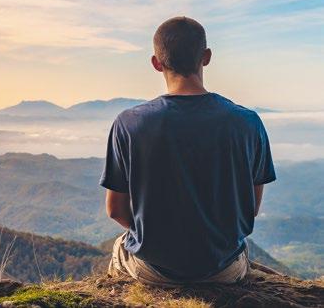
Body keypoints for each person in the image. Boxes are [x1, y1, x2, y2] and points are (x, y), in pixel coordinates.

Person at [101, 16, 276, 285]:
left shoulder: (129, 123)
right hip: (223, 271)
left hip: (154, 271)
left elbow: (115, 210)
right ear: (206, 57)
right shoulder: (248, 122)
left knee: (120, 246)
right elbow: (250, 208)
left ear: (156, 63)